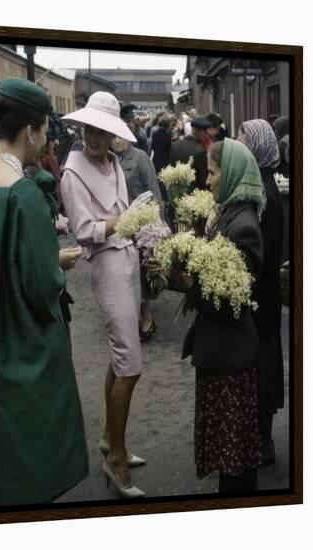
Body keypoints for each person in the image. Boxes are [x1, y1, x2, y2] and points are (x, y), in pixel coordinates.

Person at [0, 77, 88, 507]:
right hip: (20, 334)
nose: (47, 138)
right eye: (46, 130)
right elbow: (40, 283)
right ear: (29, 131)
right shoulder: (24, 196)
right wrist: (58, 263)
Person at [149, 138, 265, 492]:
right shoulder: (229, 211)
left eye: (213, 173)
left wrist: (181, 279)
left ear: (230, 174)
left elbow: (230, 298)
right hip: (222, 351)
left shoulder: (243, 225)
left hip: (231, 354)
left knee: (237, 463)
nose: (208, 181)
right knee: (231, 457)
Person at [61, 91, 148, 499]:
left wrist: (142, 228)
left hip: (127, 258)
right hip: (106, 264)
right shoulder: (72, 172)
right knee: (130, 364)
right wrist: (120, 222)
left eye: (102, 130)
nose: (93, 138)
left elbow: (124, 217)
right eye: (88, 129)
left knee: (121, 354)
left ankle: (110, 440)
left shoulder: (113, 162)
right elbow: (83, 231)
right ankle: (115, 457)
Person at [238, 119, 285, 464]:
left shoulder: (265, 195)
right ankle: (260, 440)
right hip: (263, 299)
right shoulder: (260, 186)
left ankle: (264, 443)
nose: (237, 145)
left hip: (263, 300)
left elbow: (262, 256)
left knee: (264, 373)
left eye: (242, 140)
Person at [111, 134, 163, 341]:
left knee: (140, 272)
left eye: (120, 137)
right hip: (118, 226)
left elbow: (154, 192)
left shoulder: (140, 158)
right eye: (113, 137)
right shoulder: (111, 159)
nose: (116, 141)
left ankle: (147, 317)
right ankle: (133, 318)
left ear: (128, 137)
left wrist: (156, 226)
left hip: (141, 226)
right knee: (125, 274)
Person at [170, 116, 211, 192]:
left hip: (176, 193)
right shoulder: (200, 151)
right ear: (197, 131)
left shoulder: (174, 145)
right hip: (193, 196)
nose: (206, 135)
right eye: (204, 132)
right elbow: (204, 179)